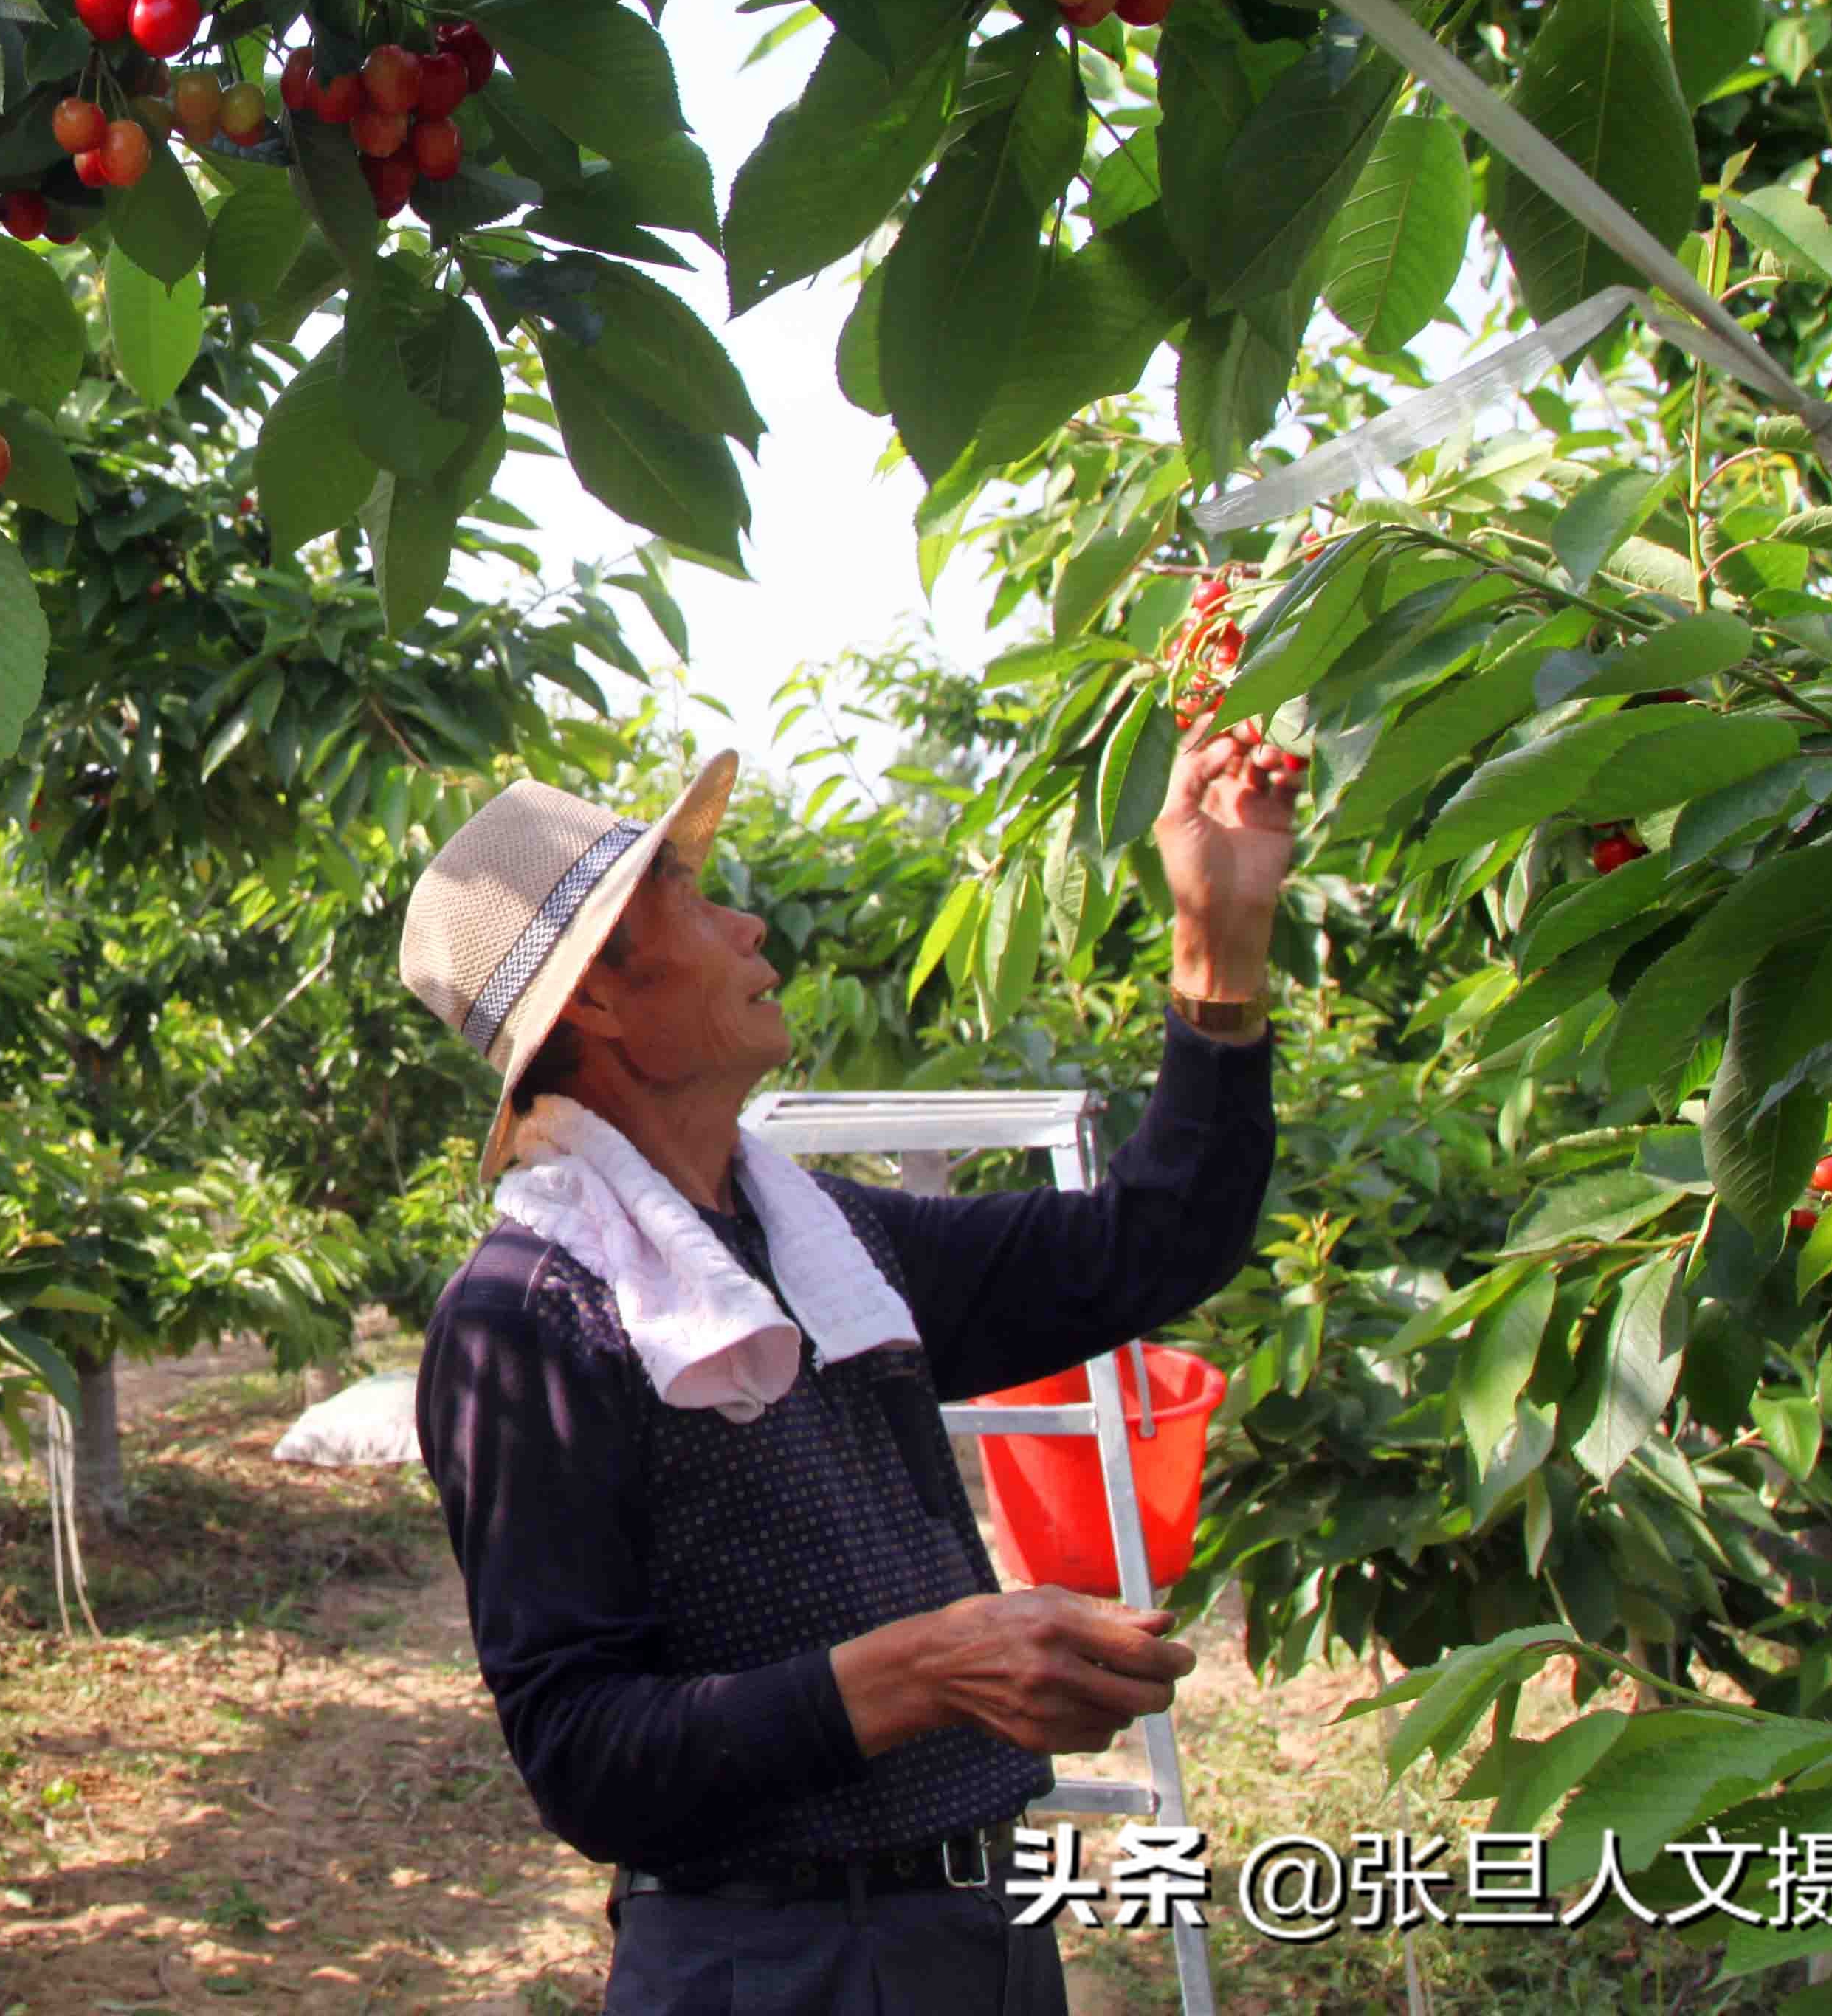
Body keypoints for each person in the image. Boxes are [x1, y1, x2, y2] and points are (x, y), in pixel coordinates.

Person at [407, 727, 1301, 2015]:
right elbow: (582, 1756)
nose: (750, 925)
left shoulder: (817, 1243)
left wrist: (1220, 938)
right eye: (695, 900)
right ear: (597, 998)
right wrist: (923, 1672)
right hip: (778, 1967)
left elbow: (1149, 1244)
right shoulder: (535, 1316)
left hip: (979, 1932)